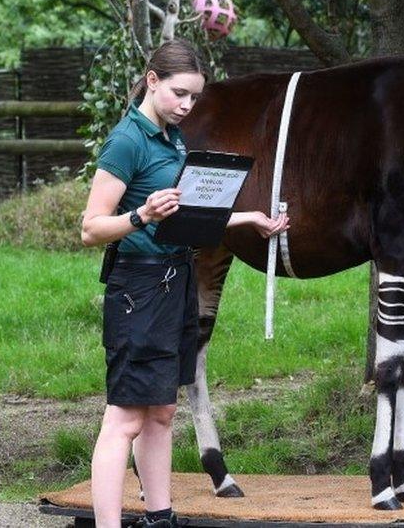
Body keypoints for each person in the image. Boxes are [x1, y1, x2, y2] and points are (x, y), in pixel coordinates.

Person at [80, 38, 288, 528]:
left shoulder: (173, 139)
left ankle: (160, 517)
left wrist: (248, 217)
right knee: (125, 418)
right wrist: (141, 214)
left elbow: (186, 215)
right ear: (152, 81)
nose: (187, 105)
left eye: (194, 97)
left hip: (177, 282)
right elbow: (91, 227)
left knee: (162, 415)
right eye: (179, 94)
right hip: (138, 289)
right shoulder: (128, 141)